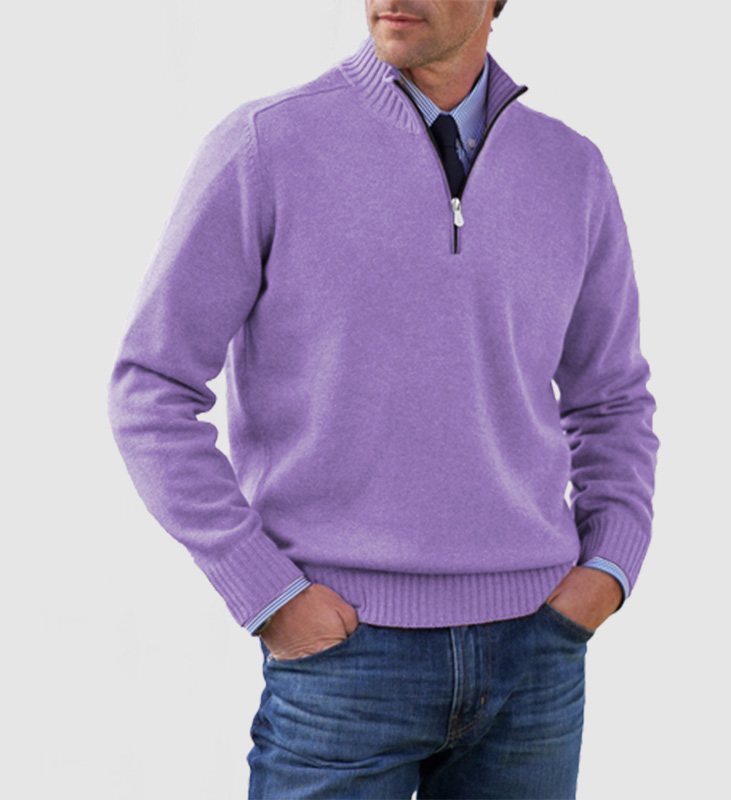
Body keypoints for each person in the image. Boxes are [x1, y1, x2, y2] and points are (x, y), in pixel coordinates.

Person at [108, 1, 659, 797]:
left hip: (535, 657)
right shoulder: (268, 144)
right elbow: (151, 386)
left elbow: (611, 399)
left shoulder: (571, 169)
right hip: (344, 656)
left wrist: (609, 566)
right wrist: (266, 592)